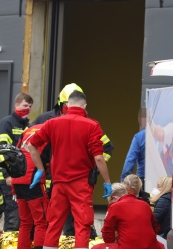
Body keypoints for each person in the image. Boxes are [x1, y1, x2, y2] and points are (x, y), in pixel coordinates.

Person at [26, 90, 112, 249]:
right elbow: (99, 157)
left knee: (53, 224)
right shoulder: (92, 125)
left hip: (58, 184)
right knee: (82, 226)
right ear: (84, 106)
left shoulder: (53, 123)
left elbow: (32, 145)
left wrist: (40, 169)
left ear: (67, 105)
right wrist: (107, 181)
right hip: (80, 184)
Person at [31, 83, 113, 238]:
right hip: (53, 180)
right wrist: (39, 169)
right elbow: (30, 146)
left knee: (80, 224)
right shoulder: (45, 120)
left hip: (77, 179)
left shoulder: (88, 123)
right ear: (62, 104)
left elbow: (106, 149)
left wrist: (93, 169)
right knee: (53, 223)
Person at [90, 176, 164, 249]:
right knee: (160, 247)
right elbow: (156, 229)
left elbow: (107, 234)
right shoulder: (145, 205)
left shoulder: (114, 207)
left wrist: (113, 245)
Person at [12, 123, 49, 249]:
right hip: (33, 179)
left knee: (25, 223)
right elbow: (49, 158)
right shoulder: (50, 130)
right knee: (41, 222)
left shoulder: (28, 131)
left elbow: (16, 152)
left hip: (18, 178)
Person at [0, 92, 33, 232]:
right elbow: (2, 150)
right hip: (9, 179)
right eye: (24, 105)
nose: (27, 109)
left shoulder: (28, 126)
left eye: (29, 106)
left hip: (23, 178)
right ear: (16, 105)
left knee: (24, 217)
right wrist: (6, 175)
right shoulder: (7, 123)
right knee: (13, 216)